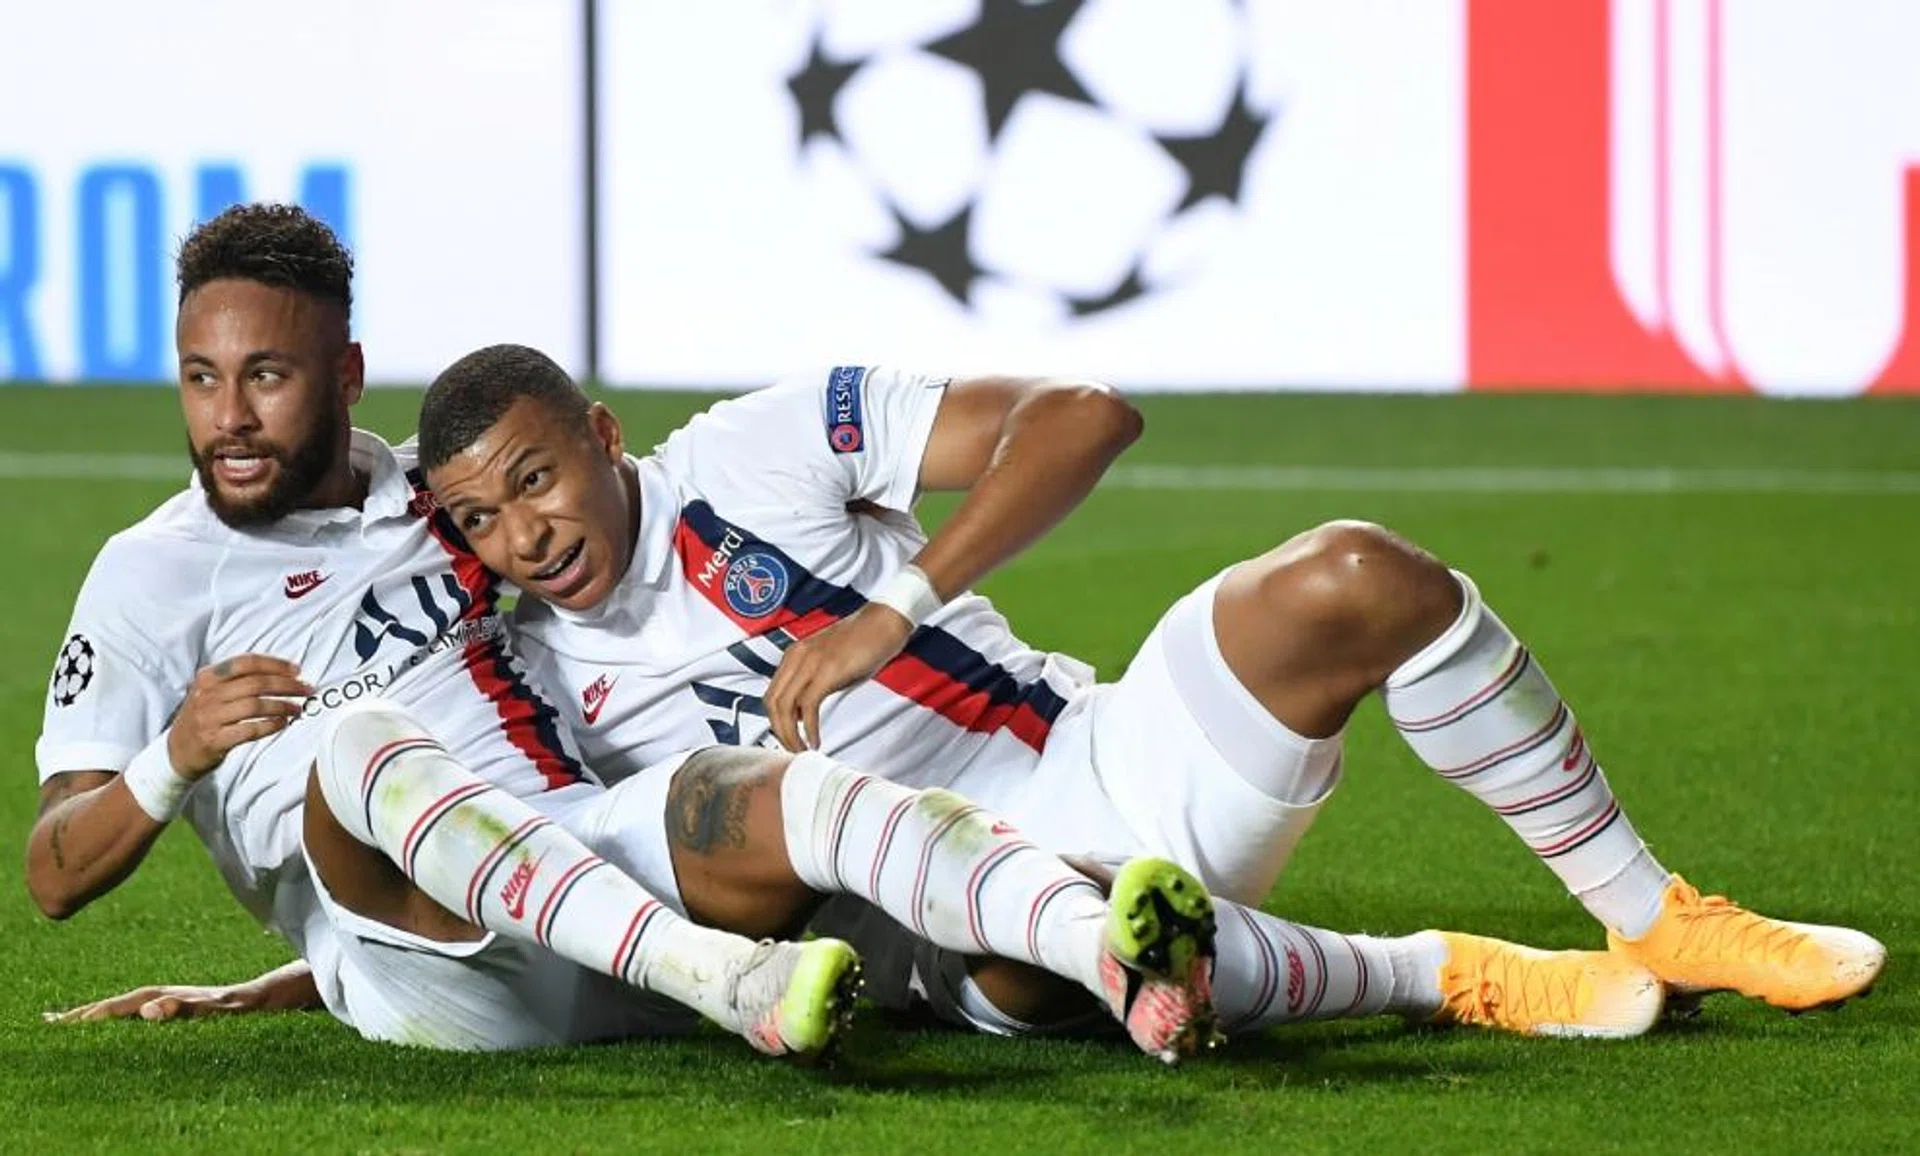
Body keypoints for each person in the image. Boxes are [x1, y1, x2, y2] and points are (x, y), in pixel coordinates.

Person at [28, 205, 1223, 1062]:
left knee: (784, 787)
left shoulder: (446, 501)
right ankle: (731, 982)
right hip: (415, 943)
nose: (228, 418)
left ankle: (1355, 966)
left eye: (266, 377)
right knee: (363, 747)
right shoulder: (149, 576)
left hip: (591, 878)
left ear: (344, 374)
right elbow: (53, 871)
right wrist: (172, 756)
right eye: (200, 378)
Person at [405, 346, 1883, 1036]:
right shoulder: (533, 677)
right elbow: (537, 877)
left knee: (1358, 580)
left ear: (603, 436)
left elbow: (1083, 417)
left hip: (1106, 748)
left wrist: (890, 611)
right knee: (1085, 929)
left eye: (539, 479)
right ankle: (1444, 975)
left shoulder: (755, 452)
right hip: (956, 925)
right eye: (479, 519)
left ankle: (1657, 916)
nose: (526, 536)